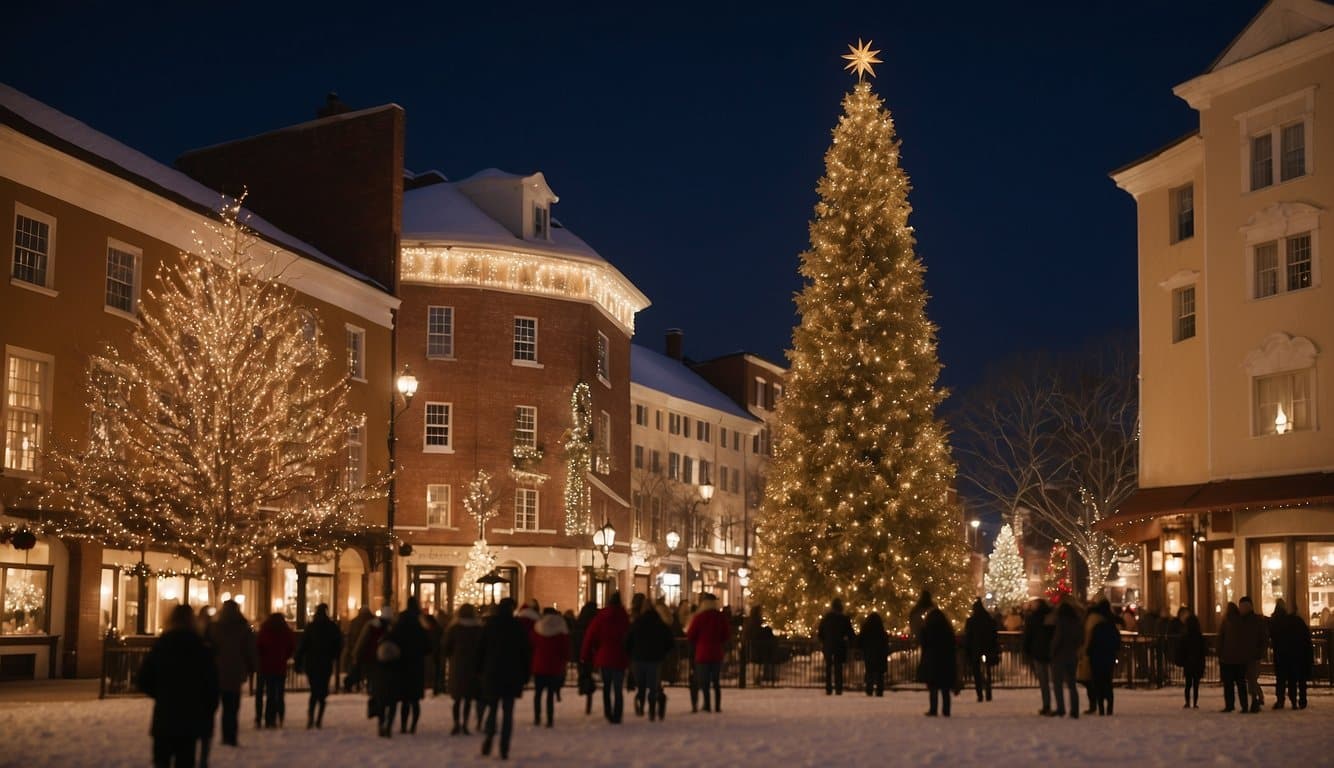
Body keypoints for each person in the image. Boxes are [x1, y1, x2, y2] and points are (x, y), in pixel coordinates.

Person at [139, 604, 218, 768]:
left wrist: (162, 693)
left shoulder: (162, 645)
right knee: (185, 759)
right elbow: (211, 684)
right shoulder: (200, 647)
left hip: (165, 713)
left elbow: (144, 679)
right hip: (189, 716)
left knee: (162, 760)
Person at [477, 597, 531, 760]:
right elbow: (525, 653)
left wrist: (479, 670)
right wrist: (525, 674)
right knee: (508, 713)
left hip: (492, 673)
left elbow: (481, 650)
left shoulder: (490, 626)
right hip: (511, 675)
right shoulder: (517, 627)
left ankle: (489, 737)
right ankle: (504, 747)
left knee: (492, 709)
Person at [206, 599, 255, 747]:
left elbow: (207, 647)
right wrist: (251, 666)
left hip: (216, 671)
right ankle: (230, 736)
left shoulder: (214, 627)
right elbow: (249, 650)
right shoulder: (243, 628)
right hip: (235, 671)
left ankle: (210, 734)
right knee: (232, 707)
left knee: (212, 706)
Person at [581, 592, 630, 723]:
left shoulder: (601, 617)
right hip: (620, 657)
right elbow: (629, 638)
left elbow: (590, 636)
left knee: (607, 687)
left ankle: (608, 712)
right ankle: (617, 715)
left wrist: (585, 655)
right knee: (618, 688)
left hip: (604, 656)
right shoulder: (624, 617)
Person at [294, 603, 342, 729]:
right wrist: (334, 656)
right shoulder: (331, 627)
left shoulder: (311, 627)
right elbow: (338, 644)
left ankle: (311, 717)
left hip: (312, 663)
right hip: (325, 663)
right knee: (322, 692)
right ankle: (319, 719)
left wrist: (298, 660)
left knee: (314, 691)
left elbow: (303, 645)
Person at [626, 599, 675, 721]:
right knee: (653, 685)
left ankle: (641, 705)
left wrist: (631, 653)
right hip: (655, 659)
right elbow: (669, 640)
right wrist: (663, 652)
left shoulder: (637, 623)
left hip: (639, 658)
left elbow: (628, 641)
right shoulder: (659, 623)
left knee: (641, 685)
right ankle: (652, 711)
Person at [387, 598, 430, 734]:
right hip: (416, 664)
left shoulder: (400, 623)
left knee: (405, 699)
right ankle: (413, 726)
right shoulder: (420, 624)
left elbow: (392, 640)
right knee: (415, 699)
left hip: (402, 664)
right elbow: (428, 646)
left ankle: (404, 726)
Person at [443, 603, 484, 735]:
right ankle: (465, 724)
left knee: (457, 698)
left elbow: (446, 646)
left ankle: (456, 723)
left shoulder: (454, 628)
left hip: (457, 666)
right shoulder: (478, 628)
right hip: (473, 666)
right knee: (467, 698)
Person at [686, 592, 730, 713]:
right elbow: (726, 635)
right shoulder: (720, 617)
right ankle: (717, 705)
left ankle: (707, 704)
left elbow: (691, 635)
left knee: (704, 682)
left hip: (702, 653)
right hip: (717, 652)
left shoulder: (699, 617)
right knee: (716, 682)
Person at [530, 606, 569, 727]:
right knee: (550, 694)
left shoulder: (537, 628)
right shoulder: (561, 628)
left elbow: (531, 645)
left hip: (539, 664)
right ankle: (550, 719)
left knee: (538, 693)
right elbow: (565, 648)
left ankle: (537, 717)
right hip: (554, 665)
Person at [1270, 598, 1313, 710]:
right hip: (1297, 654)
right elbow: (1306, 639)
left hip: (1282, 654)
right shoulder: (1298, 621)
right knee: (1296, 679)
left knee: (1282, 679)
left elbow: (1274, 636)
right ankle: (1298, 700)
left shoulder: (1277, 621)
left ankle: (1282, 700)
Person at [255, 612, 295, 728]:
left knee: (262, 692)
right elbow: (291, 647)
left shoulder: (265, 630)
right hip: (279, 666)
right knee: (277, 693)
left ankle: (260, 718)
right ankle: (274, 717)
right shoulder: (286, 632)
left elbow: (258, 646)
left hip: (264, 665)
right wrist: (284, 657)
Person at [918, 607, 957, 717]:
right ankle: (946, 710)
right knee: (945, 689)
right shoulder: (947, 630)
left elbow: (924, 644)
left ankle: (933, 709)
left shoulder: (927, 629)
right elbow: (952, 645)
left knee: (933, 688)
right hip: (946, 661)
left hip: (932, 661)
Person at [1084, 599, 1120, 716]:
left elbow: (1092, 643)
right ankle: (1109, 707)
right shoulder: (1111, 626)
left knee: (1098, 682)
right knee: (1108, 682)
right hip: (1108, 657)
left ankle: (1101, 708)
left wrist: (1088, 653)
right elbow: (1117, 641)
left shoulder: (1097, 626)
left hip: (1096, 657)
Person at [1049, 599, 1083, 718]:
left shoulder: (1060, 621)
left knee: (1058, 683)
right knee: (1072, 684)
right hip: (1072, 654)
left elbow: (1057, 638)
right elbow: (1080, 638)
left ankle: (1061, 708)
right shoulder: (1077, 622)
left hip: (1059, 655)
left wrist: (1052, 651)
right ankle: (1075, 709)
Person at [1022, 598, 1054, 715]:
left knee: (1043, 680)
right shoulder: (1050, 617)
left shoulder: (1032, 618)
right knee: (1054, 680)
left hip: (1038, 652)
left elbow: (1028, 635)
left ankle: (1047, 704)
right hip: (1051, 652)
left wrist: (1026, 649)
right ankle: (1059, 705)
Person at [817, 597, 856, 695]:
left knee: (828, 668)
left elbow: (820, 632)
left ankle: (828, 688)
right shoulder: (844, 619)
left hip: (829, 645)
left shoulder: (826, 618)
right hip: (839, 646)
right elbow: (850, 633)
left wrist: (824, 641)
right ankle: (838, 688)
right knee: (838, 668)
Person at [964, 599, 1000, 702]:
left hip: (975, 650)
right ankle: (988, 692)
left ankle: (979, 694)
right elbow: (994, 635)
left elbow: (968, 637)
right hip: (988, 649)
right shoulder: (989, 620)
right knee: (988, 672)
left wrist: (968, 650)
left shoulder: (971, 621)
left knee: (977, 673)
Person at [1216, 602, 1249, 713]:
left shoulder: (1226, 622)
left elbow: (1221, 639)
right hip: (1240, 659)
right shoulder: (1242, 621)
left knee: (1228, 684)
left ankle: (1230, 705)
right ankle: (1244, 705)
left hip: (1227, 658)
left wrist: (1219, 653)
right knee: (1241, 683)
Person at [1238, 596, 1268, 713]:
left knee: (1251, 678)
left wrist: (1260, 651)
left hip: (1253, 654)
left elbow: (1263, 637)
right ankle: (1257, 698)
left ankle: (1256, 699)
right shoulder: (1242, 620)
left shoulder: (1256, 621)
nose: (1242, 609)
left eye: (1243, 606)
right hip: (1245, 654)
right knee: (1250, 678)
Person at [572, 601, 600, 715]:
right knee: (590, 675)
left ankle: (585, 690)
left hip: (581, 653)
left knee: (584, 675)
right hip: (592, 653)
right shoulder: (595, 620)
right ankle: (588, 697)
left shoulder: (580, 622)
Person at [1174, 612, 1206, 708]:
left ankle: (1187, 702)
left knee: (1188, 684)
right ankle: (1195, 703)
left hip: (1188, 663)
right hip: (1197, 663)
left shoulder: (1185, 636)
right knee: (1196, 685)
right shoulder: (1199, 636)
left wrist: (1182, 660)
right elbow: (1203, 650)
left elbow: (1181, 650)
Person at [858, 612, 889, 697]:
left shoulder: (866, 630)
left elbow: (860, 641)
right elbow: (885, 643)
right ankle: (879, 690)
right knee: (880, 674)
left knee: (869, 672)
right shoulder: (881, 631)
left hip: (869, 653)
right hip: (880, 654)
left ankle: (869, 689)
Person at [343, 605, 373, 691]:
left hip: (358, 650)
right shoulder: (373, 621)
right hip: (369, 651)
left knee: (357, 669)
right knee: (367, 670)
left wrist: (351, 650)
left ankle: (352, 684)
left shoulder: (354, 622)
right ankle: (367, 685)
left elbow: (351, 637)